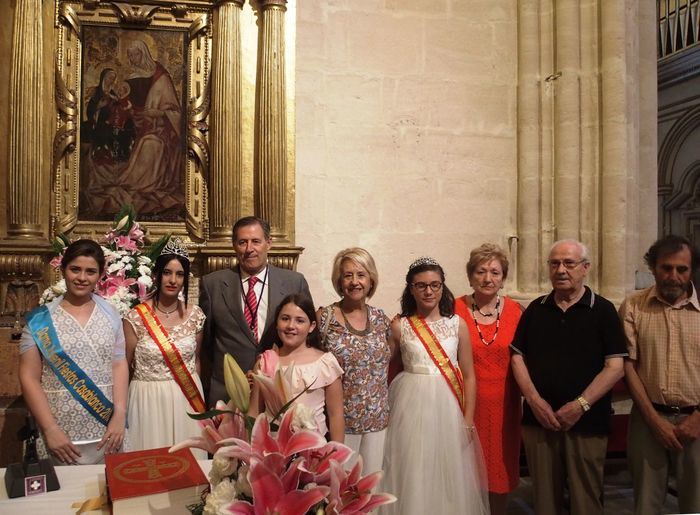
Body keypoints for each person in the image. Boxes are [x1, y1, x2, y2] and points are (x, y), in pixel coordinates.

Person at [510, 239, 627, 515]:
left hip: (588, 421)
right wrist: (535, 401)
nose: (561, 270)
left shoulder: (603, 310)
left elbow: (615, 366)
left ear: (585, 268)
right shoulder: (536, 310)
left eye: (569, 263)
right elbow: (517, 357)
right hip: (539, 421)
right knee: (544, 501)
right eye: (554, 263)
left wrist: (580, 405)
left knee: (585, 499)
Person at [381, 257, 489, 515]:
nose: (429, 291)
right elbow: (385, 366)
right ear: (411, 288)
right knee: (412, 467)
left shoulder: (457, 325)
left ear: (442, 287)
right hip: (409, 404)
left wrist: (468, 419)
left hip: (448, 407)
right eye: (421, 286)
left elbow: (469, 375)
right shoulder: (400, 326)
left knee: (447, 469)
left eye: (435, 285)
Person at [18, 239, 128, 465]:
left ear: (100, 276)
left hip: (105, 429)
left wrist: (119, 415)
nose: (82, 277)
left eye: (90, 272)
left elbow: (118, 364)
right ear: (63, 269)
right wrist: (49, 429)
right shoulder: (40, 320)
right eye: (75, 269)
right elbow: (29, 377)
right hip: (59, 433)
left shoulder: (111, 314)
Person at [620, 235, 700, 515]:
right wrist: (654, 420)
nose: (673, 276)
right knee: (646, 505)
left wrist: (698, 418)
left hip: (698, 422)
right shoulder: (633, 306)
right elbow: (629, 365)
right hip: (647, 420)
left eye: (682, 269)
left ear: (692, 271)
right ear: (653, 268)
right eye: (666, 268)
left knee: (695, 506)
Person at [200, 216, 313, 405]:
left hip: (280, 391)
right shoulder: (213, 284)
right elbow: (206, 344)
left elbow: (307, 336)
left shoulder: (294, 282)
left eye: (256, 241)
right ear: (234, 245)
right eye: (242, 242)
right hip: (229, 392)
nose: (249, 249)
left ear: (268, 243)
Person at [454, 243, 522, 515]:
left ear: (503, 278)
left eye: (495, 272)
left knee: (499, 472)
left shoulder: (516, 312)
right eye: (481, 272)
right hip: (464, 405)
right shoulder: (454, 308)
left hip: (504, 406)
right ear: (470, 276)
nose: (487, 278)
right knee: (464, 471)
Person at [123, 238, 206, 459]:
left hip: (186, 398)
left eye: (179, 274)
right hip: (148, 399)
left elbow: (196, 360)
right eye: (167, 272)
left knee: (189, 469)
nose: (173, 280)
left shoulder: (196, 315)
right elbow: (125, 366)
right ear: (157, 275)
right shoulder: (136, 317)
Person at [317, 248, 391, 473]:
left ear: (371, 280)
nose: (355, 282)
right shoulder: (324, 318)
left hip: (377, 421)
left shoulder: (382, 319)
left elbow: (393, 357)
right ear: (339, 281)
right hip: (340, 424)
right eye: (348, 275)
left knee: (371, 492)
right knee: (341, 491)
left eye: (361, 275)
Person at [250, 294, 344, 441]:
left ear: (311, 326)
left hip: (313, 450)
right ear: (277, 323)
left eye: (300, 321)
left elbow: (336, 415)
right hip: (272, 450)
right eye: (285, 319)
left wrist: (337, 456)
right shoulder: (265, 362)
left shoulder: (325, 363)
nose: (291, 326)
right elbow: (254, 412)